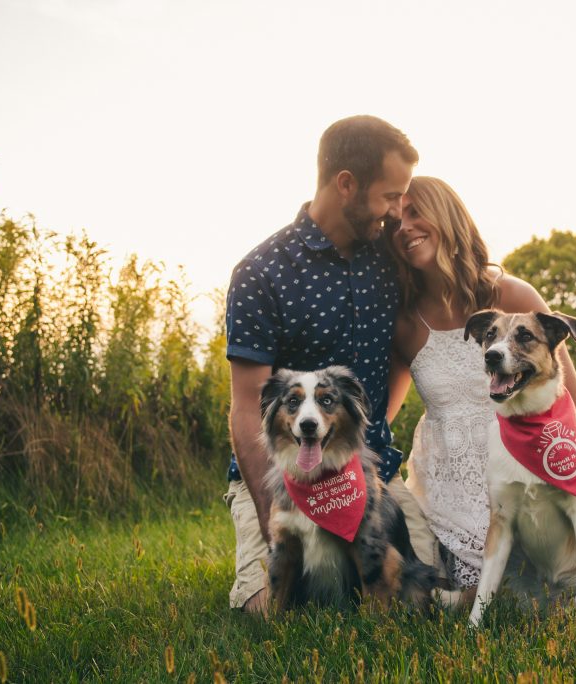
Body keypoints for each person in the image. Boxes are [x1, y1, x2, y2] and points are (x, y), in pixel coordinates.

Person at [224, 116, 439, 613]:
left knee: (421, 597)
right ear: (346, 184)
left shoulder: (390, 259)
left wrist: (371, 427)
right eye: (390, 196)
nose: (396, 212)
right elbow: (244, 406)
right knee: (268, 607)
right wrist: (274, 516)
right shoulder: (263, 273)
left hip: (370, 474)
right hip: (284, 477)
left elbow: (400, 351)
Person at [386, 176, 576, 589]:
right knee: (451, 592)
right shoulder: (405, 322)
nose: (404, 227)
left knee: (557, 585)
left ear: (447, 216)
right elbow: (379, 419)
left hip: (532, 472)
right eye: (396, 220)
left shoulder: (512, 294)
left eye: (415, 212)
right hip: (448, 494)